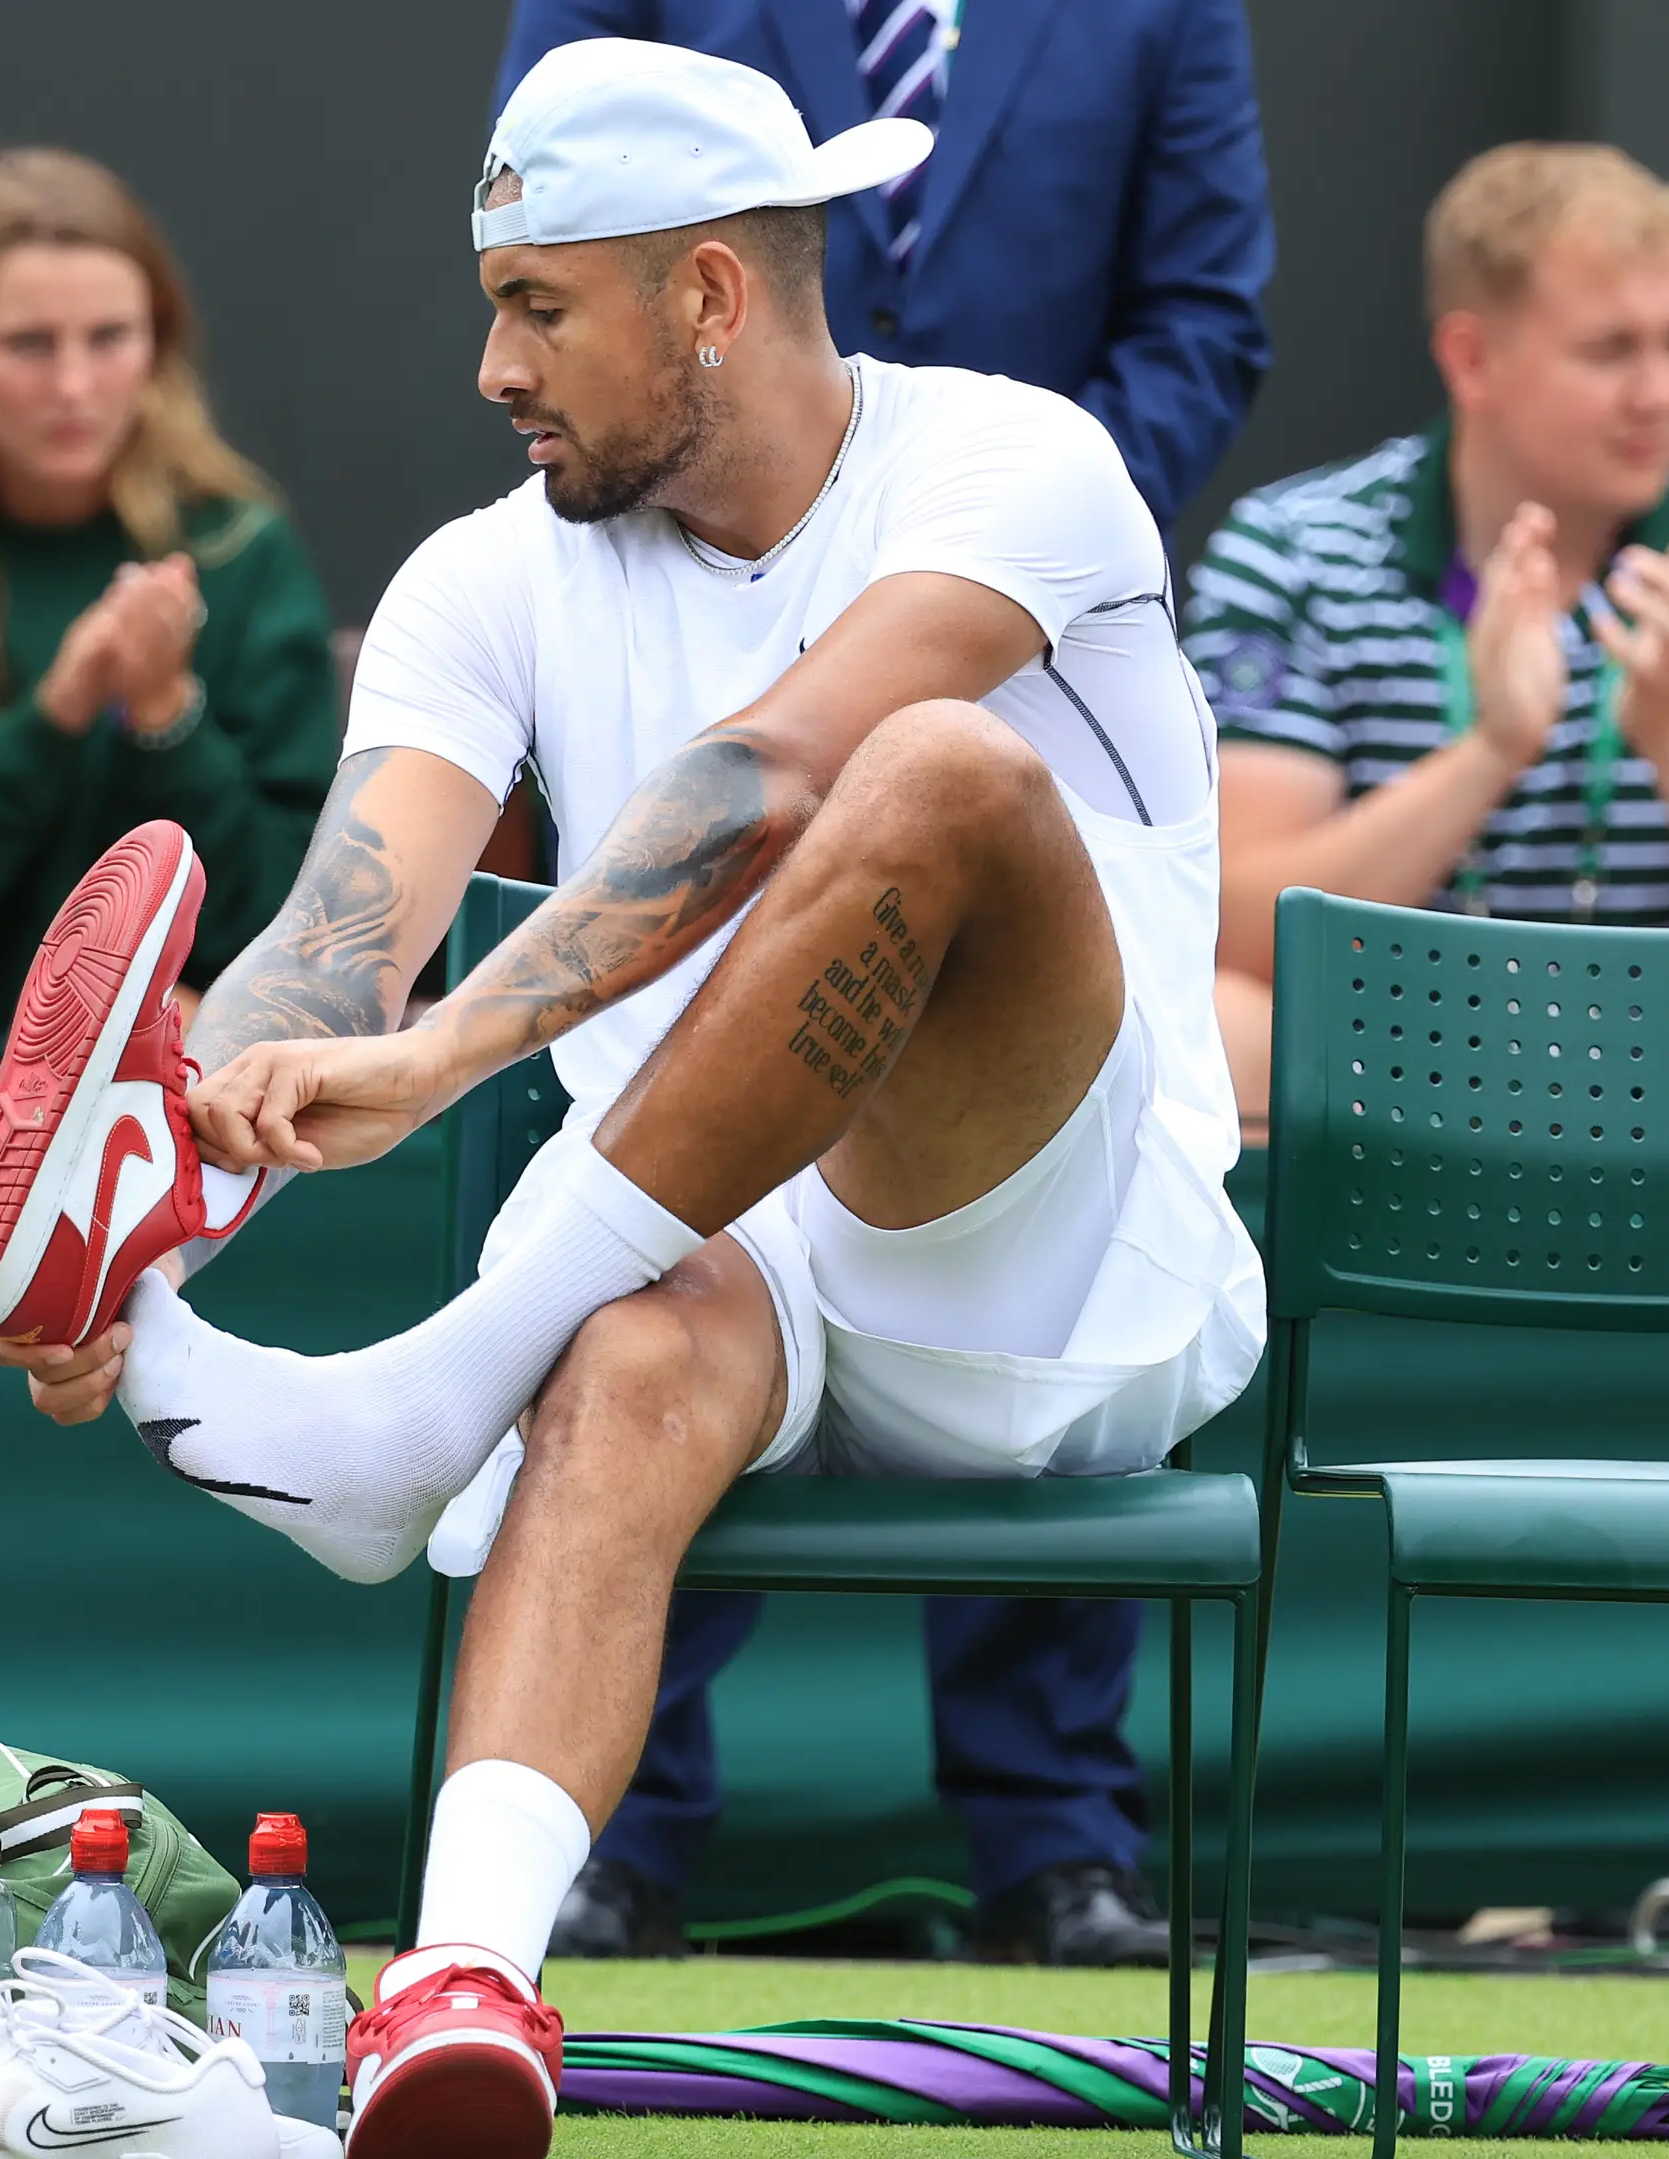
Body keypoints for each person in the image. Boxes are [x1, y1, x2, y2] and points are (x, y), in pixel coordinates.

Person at [0, 42, 1261, 2158]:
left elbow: (782, 773)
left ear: (714, 295)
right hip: (716, 1267)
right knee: (631, 1350)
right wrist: (143, 1215)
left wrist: (452, 1050)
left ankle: (426, 1390)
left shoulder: (1023, 466)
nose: (490, 364)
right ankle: (460, 1989)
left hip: (1057, 1269)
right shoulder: (484, 579)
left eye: (541, 304)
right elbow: (339, 950)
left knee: (939, 771)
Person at [495, 0, 1273, 1972]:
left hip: (1012, 633)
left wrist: (975, 553)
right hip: (713, 587)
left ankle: (1057, 1833)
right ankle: (602, 1829)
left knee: (1037, 1206)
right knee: (669, 1266)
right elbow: (562, 244)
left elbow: (1199, 313)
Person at [1187, 143, 1669, 1126]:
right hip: (1392, 1068)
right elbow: (1233, 928)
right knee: (1220, 1027)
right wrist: (1490, 750)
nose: (1661, 393)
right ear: (1473, 358)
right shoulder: (1295, 553)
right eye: (1611, 351)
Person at [0, 149, 340, 1092]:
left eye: (110, 338)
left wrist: (166, 714)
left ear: (158, 341)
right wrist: (56, 716)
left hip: (176, 1065)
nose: (75, 387)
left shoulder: (238, 548)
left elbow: (285, 920)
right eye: (30, 345)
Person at [494, 0, 1270, 524]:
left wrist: (1027, 534)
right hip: (695, 589)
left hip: (1043, 633)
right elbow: (550, 231)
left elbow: (1197, 313)